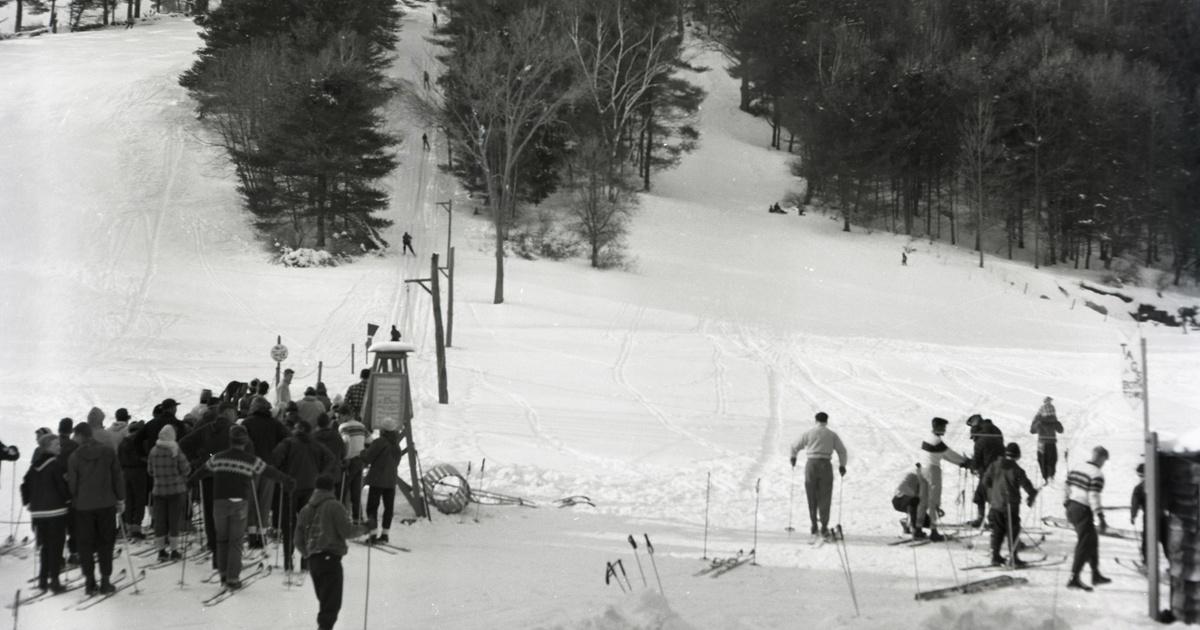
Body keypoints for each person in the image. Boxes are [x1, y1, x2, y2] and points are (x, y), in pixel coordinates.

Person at [188, 425, 293, 588]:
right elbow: (269, 471)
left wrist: (190, 481)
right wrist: (286, 480)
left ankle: (223, 574)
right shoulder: (250, 459)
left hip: (219, 502)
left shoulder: (217, 458)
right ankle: (233, 578)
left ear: (230, 440)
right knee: (235, 541)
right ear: (245, 442)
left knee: (222, 539)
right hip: (239, 502)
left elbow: (202, 471)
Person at [67, 423, 124, 595]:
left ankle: (90, 582)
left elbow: (72, 484)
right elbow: (117, 476)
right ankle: (105, 581)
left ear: (80, 435)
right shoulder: (108, 452)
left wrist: (75, 498)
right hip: (106, 504)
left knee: (85, 544)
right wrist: (120, 498)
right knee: (106, 542)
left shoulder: (74, 456)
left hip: (83, 506)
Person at [273, 421, 335, 572]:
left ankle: (288, 560)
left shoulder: (288, 443)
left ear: (299, 429)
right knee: (308, 524)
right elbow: (331, 458)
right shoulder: (316, 444)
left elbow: (275, 458)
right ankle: (305, 560)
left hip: (291, 487)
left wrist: (281, 473)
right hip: (310, 488)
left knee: (289, 524)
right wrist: (320, 474)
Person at [295, 474, 354, 630]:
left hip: (314, 562)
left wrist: (308, 554)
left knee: (325, 601)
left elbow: (298, 540)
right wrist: (367, 527)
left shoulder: (305, 509)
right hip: (331, 559)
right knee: (331, 604)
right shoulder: (335, 506)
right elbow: (347, 531)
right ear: (332, 489)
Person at [180, 403, 235, 566]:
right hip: (229, 476)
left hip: (208, 475)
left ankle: (214, 546)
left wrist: (199, 458)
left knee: (210, 512)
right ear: (228, 412)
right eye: (234, 412)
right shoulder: (234, 430)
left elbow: (184, 443)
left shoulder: (206, 429)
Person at [21, 433, 69, 593]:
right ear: (48, 447)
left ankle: (43, 579)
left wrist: (28, 502)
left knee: (45, 547)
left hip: (38, 513)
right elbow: (62, 487)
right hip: (56, 512)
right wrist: (69, 499)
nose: (59, 447)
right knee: (56, 546)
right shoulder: (56, 465)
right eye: (56, 445)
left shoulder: (34, 465)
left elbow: (24, 485)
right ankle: (54, 581)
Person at [788, 411, 848, 539]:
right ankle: (824, 526)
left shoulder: (809, 433)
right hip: (825, 465)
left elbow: (794, 446)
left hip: (811, 465)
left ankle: (814, 524)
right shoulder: (832, 435)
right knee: (825, 496)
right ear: (826, 421)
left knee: (811, 495)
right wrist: (842, 465)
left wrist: (793, 458)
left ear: (815, 421)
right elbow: (842, 451)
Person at [982, 442, 1038, 566]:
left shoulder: (994, 465)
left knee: (997, 531)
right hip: (1010, 505)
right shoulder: (1016, 469)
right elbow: (1026, 485)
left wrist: (994, 491)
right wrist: (1032, 494)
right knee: (1012, 531)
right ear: (1017, 455)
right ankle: (1013, 558)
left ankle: (995, 556)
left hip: (996, 504)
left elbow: (985, 481)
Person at [1064, 446, 1111, 591]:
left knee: (1092, 540)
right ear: (1101, 458)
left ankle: (1095, 574)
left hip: (1071, 507)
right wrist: (1101, 517)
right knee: (1084, 543)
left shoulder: (1078, 466)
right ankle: (1074, 578)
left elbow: (1066, 485)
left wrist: (1066, 502)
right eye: (1104, 460)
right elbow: (1093, 496)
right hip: (1082, 509)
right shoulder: (1097, 474)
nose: (1103, 463)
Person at [242, 396, 288, 548]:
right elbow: (287, 440)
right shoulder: (275, 424)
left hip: (251, 466)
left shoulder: (247, 423)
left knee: (251, 500)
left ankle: (251, 534)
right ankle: (261, 535)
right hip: (269, 467)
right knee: (265, 502)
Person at [917, 417, 971, 541]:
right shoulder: (936, 441)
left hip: (922, 469)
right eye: (943, 427)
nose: (945, 430)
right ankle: (933, 531)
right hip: (932, 470)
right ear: (937, 427)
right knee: (934, 502)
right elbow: (949, 454)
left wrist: (961, 462)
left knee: (923, 501)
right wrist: (965, 462)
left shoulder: (928, 437)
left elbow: (944, 455)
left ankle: (917, 529)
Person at [147, 424, 190, 561]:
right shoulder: (175, 450)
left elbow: (150, 470)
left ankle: (161, 551)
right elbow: (186, 469)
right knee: (174, 521)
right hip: (176, 491)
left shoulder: (153, 451)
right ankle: (174, 550)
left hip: (159, 491)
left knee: (160, 521)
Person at [360, 419, 405, 543]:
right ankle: (385, 534)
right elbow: (397, 462)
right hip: (391, 480)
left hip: (377, 479)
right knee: (388, 508)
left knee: (372, 507)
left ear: (383, 430)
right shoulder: (396, 445)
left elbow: (368, 457)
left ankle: (373, 534)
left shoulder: (380, 442)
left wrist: (362, 452)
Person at [966, 415, 1005, 527]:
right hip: (1001, 467)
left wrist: (971, 465)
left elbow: (977, 460)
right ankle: (993, 520)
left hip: (987, 471)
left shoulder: (980, 440)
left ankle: (981, 519)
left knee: (981, 494)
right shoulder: (996, 430)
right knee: (995, 495)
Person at [117, 421, 148, 540]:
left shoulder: (123, 442)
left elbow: (119, 459)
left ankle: (127, 526)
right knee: (139, 500)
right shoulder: (141, 441)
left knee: (128, 500)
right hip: (139, 472)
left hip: (125, 472)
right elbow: (145, 456)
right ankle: (136, 528)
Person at [338, 410, 370, 523]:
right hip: (360, 461)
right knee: (356, 491)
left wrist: (346, 457)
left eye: (340, 416)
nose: (339, 419)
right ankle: (357, 518)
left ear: (345, 415)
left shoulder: (343, 427)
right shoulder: (362, 426)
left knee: (342, 491)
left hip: (349, 461)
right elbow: (369, 440)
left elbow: (346, 441)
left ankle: (342, 518)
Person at [313, 413, 347, 502]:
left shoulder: (313, 437)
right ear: (328, 423)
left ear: (317, 423)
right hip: (334, 473)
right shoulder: (337, 436)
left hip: (318, 473)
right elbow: (343, 453)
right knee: (332, 499)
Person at [1030, 397, 1065, 483]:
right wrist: (1056, 421)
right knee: (1052, 460)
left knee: (1042, 460)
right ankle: (1050, 476)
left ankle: (1045, 477)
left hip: (1041, 443)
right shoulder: (1053, 418)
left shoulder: (1039, 420)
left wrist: (1036, 419)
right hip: (1051, 443)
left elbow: (1032, 430)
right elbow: (1061, 430)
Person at [892, 464, 930, 535]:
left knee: (928, 523)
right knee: (915, 501)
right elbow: (902, 487)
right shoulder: (913, 476)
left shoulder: (926, 483)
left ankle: (907, 522)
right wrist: (915, 495)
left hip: (911, 502)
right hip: (899, 500)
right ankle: (916, 530)